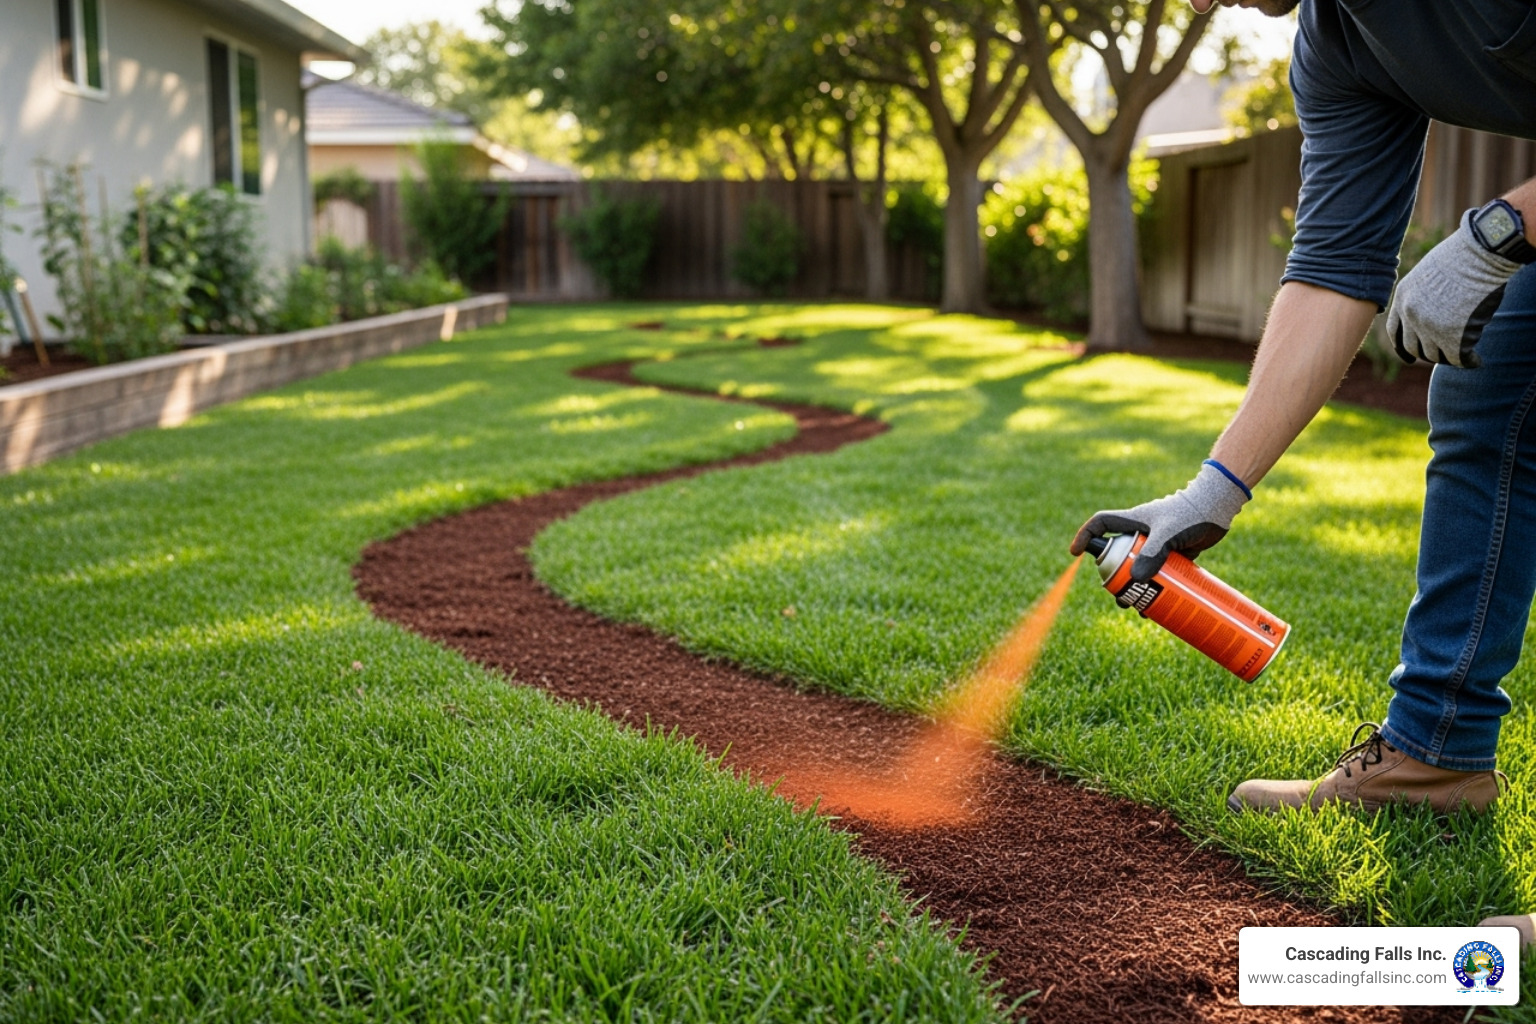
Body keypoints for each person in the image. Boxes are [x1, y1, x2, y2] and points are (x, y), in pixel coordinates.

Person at [1069, 0, 1536, 942]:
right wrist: (1214, 490)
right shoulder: (1339, 43)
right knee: (1491, 382)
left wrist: (1506, 226)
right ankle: (1436, 756)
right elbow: (1333, 267)